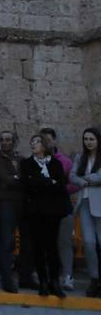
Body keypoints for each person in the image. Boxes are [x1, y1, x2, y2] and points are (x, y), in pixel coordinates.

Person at [20, 134, 71, 298]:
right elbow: (28, 184)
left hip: (52, 212)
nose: (33, 144)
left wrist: (41, 183)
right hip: (35, 212)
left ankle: (54, 281)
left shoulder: (55, 163)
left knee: (51, 247)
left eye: (37, 141)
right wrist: (49, 182)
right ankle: (42, 280)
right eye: (31, 142)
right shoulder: (26, 164)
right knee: (38, 247)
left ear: (44, 145)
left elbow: (61, 186)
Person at [0, 131, 35, 293]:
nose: (5, 143)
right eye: (2, 140)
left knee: (27, 242)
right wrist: (20, 178)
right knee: (7, 242)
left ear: (14, 142)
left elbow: (25, 178)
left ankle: (26, 277)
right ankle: (7, 280)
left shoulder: (20, 160)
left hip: (23, 204)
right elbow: (6, 180)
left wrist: (18, 178)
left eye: (8, 140)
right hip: (6, 204)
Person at [40, 127, 76, 291]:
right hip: (44, 208)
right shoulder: (36, 160)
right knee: (45, 242)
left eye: (48, 140)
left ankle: (67, 276)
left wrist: (59, 188)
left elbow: (74, 183)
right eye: (43, 141)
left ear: (54, 141)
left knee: (64, 243)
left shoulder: (66, 162)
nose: (45, 144)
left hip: (63, 207)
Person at [70, 127, 101, 298]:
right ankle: (94, 278)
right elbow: (72, 176)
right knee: (88, 243)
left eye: (91, 139)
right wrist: (87, 179)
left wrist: (84, 178)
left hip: (100, 204)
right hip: (84, 203)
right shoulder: (79, 157)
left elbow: (100, 177)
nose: (88, 142)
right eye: (86, 139)